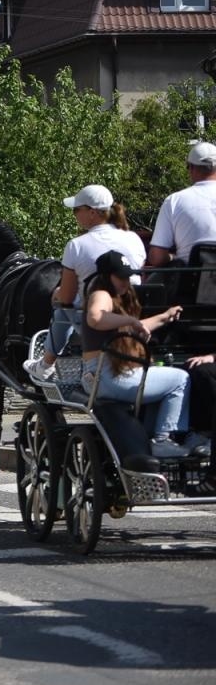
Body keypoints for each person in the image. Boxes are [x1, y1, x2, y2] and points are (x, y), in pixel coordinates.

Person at [25, 184, 146, 383]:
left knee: (60, 307)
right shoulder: (133, 239)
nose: (74, 215)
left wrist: (57, 293)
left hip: (97, 321)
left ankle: (46, 364)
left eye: (76, 210)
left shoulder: (77, 245)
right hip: (132, 312)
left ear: (92, 213)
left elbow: (67, 297)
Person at [78, 250, 188, 458]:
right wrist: (130, 320)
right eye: (120, 277)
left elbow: (137, 327)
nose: (125, 282)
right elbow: (95, 318)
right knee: (180, 379)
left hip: (99, 377)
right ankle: (163, 439)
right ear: (106, 276)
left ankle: (146, 439)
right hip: (109, 376)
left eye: (127, 277)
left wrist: (165, 316)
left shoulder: (113, 303)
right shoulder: (101, 294)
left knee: (163, 384)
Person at [146, 141, 216, 267]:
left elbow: (156, 257)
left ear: (192, 168)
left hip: (193, 284)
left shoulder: (174, 201)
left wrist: (172, 257)